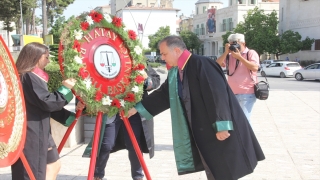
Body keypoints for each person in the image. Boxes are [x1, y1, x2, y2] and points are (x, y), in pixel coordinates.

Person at [127, 35, 265, 180]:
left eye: (164, 53)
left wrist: (222, 125)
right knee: (214, 165)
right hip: (203, 128)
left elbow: (217, 94)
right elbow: (164, 94)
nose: (162, 57)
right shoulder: (177, 71)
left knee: (227, 166)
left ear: (176, 51)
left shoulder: (202, 63)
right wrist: (138, 108)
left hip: (218, 126)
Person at [11, 42, 84, 180]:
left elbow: (42, 104)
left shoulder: (33, 77)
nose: (48, 61)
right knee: (32, 172)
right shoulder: (27, 76)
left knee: (53, 165)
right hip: (31, 131)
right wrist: (65, 89)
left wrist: (69, 116)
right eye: (46, 57)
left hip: (41, 129)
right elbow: (46, 102)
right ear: (36, 57)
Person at [82, 65, 160, 180]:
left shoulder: (135, 59)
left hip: (133, 110)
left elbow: (155, 80)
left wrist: (145, 79)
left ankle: (138, 176)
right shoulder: (105, 59)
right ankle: (97, 175)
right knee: (106, 144)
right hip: (110, 107)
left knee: (134, 145)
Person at [216, 33, 260, 125]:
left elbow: (255, 68)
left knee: (244, 120)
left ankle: (247, 139)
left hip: (247, 93)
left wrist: (239, 57)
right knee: (234, 120)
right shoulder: (229, 55)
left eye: (235, 43)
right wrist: (225, 52)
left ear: (243, 43)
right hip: (231, 93)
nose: (234, 46)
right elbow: (217, 64)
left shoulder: (250, 53)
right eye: (231, 44)